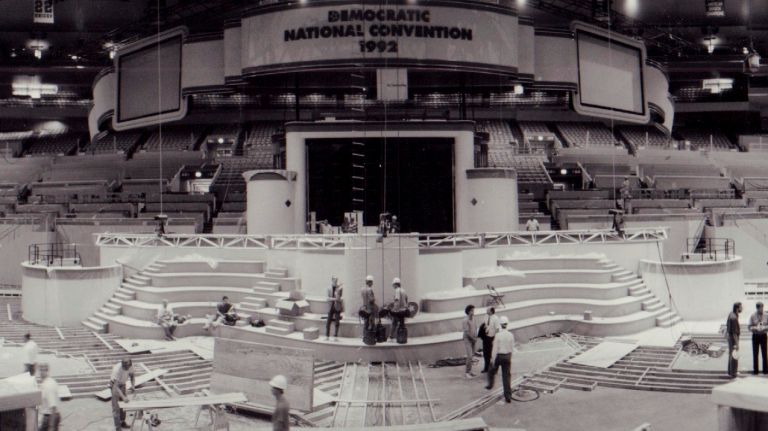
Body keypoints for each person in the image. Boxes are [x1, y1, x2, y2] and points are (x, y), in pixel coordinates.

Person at [486, 316, 515, 403]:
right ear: (507, 324)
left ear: (500, 325)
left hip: (499, 356)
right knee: (506, 377)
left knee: (491, 370)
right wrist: (510, 358)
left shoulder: (498, 335)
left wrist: (492, 359)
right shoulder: (510, 335)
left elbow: (495, 349)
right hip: (507, 356)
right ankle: (508, 396)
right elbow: (512, 348)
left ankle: (490, 384)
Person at [109, 358, 135, 430]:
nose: (126, 368)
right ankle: (118, 427)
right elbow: (116, 386)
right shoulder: (117, 369)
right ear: (122, 364)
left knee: (123, 406)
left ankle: (122, 422)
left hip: (123, 384)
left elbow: (132, 376)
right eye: (125, 367)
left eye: (128, 367)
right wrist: (123, 397)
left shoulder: (131, 366)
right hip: (115, 385)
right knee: (116, 407)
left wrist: (133, 385)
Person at [38, 363, 61, 431]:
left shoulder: (48, 385)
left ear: (47, 371)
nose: (41, 372)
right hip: (47, 416)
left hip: (50, 417)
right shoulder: (45, 383)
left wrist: (52, 426)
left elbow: (53, 407)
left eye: (44, 370)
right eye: (40, 370)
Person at [480, 307, 501, 373]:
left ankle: (494, 368)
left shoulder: (495, 318)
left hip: (492, 337)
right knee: (486, 353)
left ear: (491, 311)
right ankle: (486, 368)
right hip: (486, 337)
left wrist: (496, 339)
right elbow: (484, 324)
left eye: (488, 310)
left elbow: (497, 329)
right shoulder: (485, 316)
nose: (486, 310)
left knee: (493, 354)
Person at [749, 302, 767, 375]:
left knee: (765, 353)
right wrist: (755, 328)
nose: (762, 309)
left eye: (762, 307)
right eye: (760, 308)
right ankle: (755, 370)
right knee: (755, 354)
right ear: (757, 308)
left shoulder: (766, 315)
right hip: (755, 336)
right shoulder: (753, 316)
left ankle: (765, 370)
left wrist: (764, 327)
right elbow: (749, 326)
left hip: (763, 335)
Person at [727, 302, 742, 378]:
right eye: (740, 307)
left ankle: (731, 371)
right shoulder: (734, 317)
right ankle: (734, 373)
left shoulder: (732, 314)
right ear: (737, 308)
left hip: (730, 338)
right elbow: (734, 333)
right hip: (733, 339)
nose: (742, 308)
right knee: (734, 355)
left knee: (731, 355)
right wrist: (737, 343)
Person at [325, 276, 343, 341]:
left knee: (337, 322)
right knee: (328, 322)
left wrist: (336, 294)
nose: (335, 282)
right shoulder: (329, 288)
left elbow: (340, 299)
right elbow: (327, 298)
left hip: (337, 307)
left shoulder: (339, 289)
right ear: (332, 280)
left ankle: (335, 336)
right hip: (330, 307)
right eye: (334, 280)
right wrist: (335, 299)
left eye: (336, 280)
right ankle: (327, 336)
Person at [462, 305, 478, 379]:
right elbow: (467, 332)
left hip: (473, 339)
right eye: (472, 310)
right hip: (468, 339)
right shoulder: (465, 320)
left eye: (473, 310)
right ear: (468, 311)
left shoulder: (474, 319)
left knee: (472, 355)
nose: (473, 312)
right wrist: (473, 339)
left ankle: (470, 371)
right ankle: (467, 372)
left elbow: (475, 328)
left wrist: (475, 337)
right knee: (469, 356)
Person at [390, 277, 406, 342]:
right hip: (403, 310)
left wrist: (394, 310)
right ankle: (402, 338)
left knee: (394, 323)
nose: (393, 286)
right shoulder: (403, 290)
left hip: (398, 310)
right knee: (402, 324)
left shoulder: (397, 290)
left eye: (393, 285)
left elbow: (397, 300)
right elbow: (406, 299)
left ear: (396, 284)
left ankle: (391, 337)